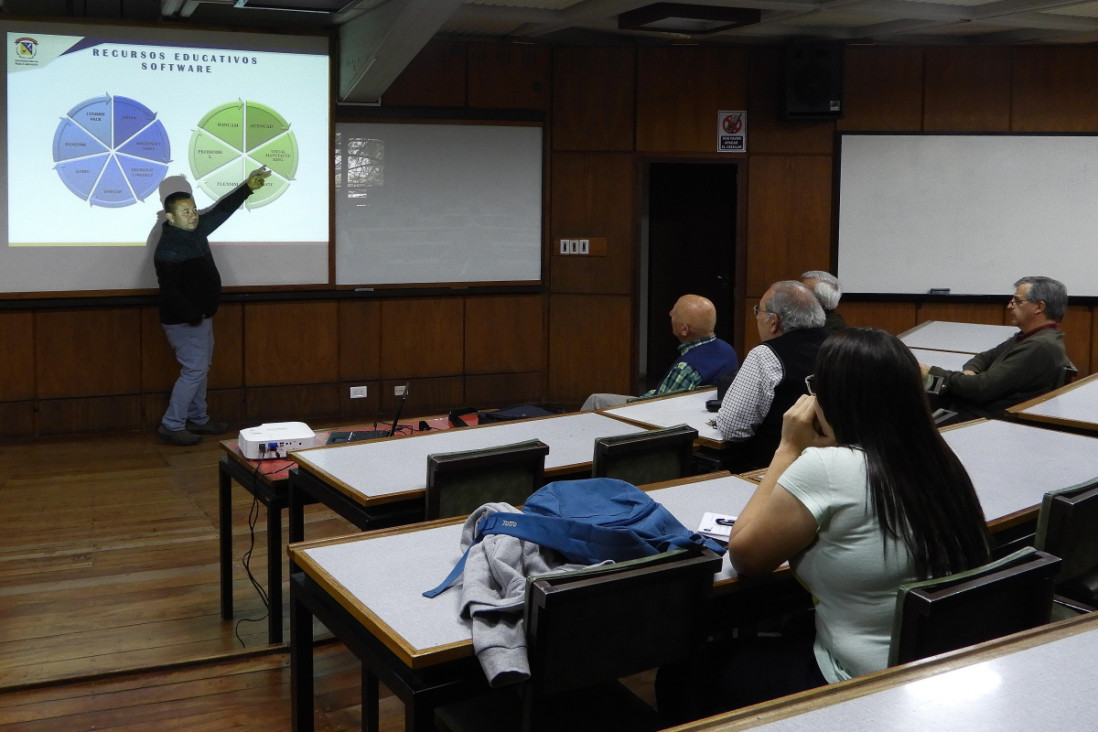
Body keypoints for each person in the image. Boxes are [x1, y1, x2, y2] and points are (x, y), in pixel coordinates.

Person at [657, 328, 991, 724]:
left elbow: (745, 556)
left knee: (679, 675)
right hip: (944, 670)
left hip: (865, 686)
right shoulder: (939, 460)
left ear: (840, 397)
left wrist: (788, 449)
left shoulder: (828, 468)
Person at [155, 167, 272, 446]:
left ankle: (199, 418)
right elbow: (170, 291)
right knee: (194, 370)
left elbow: (221, 211)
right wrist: (193, 315)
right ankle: (171, 425)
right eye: (185, 212)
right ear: (170, 217)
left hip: (201, 316)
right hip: (185, 321)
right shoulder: (169, 248)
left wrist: (248, 188)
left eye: (193, 209)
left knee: (200, 368)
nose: (193, 215)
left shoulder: (194, 231)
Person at [920, 276, 1073, 420]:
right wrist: (970, 374)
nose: (1009, 306)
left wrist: (930, 372)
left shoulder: (1041, 346)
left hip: (980, 420)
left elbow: (981, 388)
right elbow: (983, 358)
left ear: (1039, 307)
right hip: (971, 408)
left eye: (1017, 301)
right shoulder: (1029, 337)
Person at [714, 281, 828, 470]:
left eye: (758, 310)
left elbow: (733, 429)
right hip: (829, 466)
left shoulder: (766, 354)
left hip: (773, 471)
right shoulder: (840, 346)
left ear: (774, 322)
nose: (756, 316)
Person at [581, 294, 738, 411]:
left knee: (596, 400)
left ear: (684, 330)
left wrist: (634, 403)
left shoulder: (687, 368)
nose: (670, 313)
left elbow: (659, 407)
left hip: (655, 418)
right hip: (692, 413)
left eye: (675, 313)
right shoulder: (727, 350)